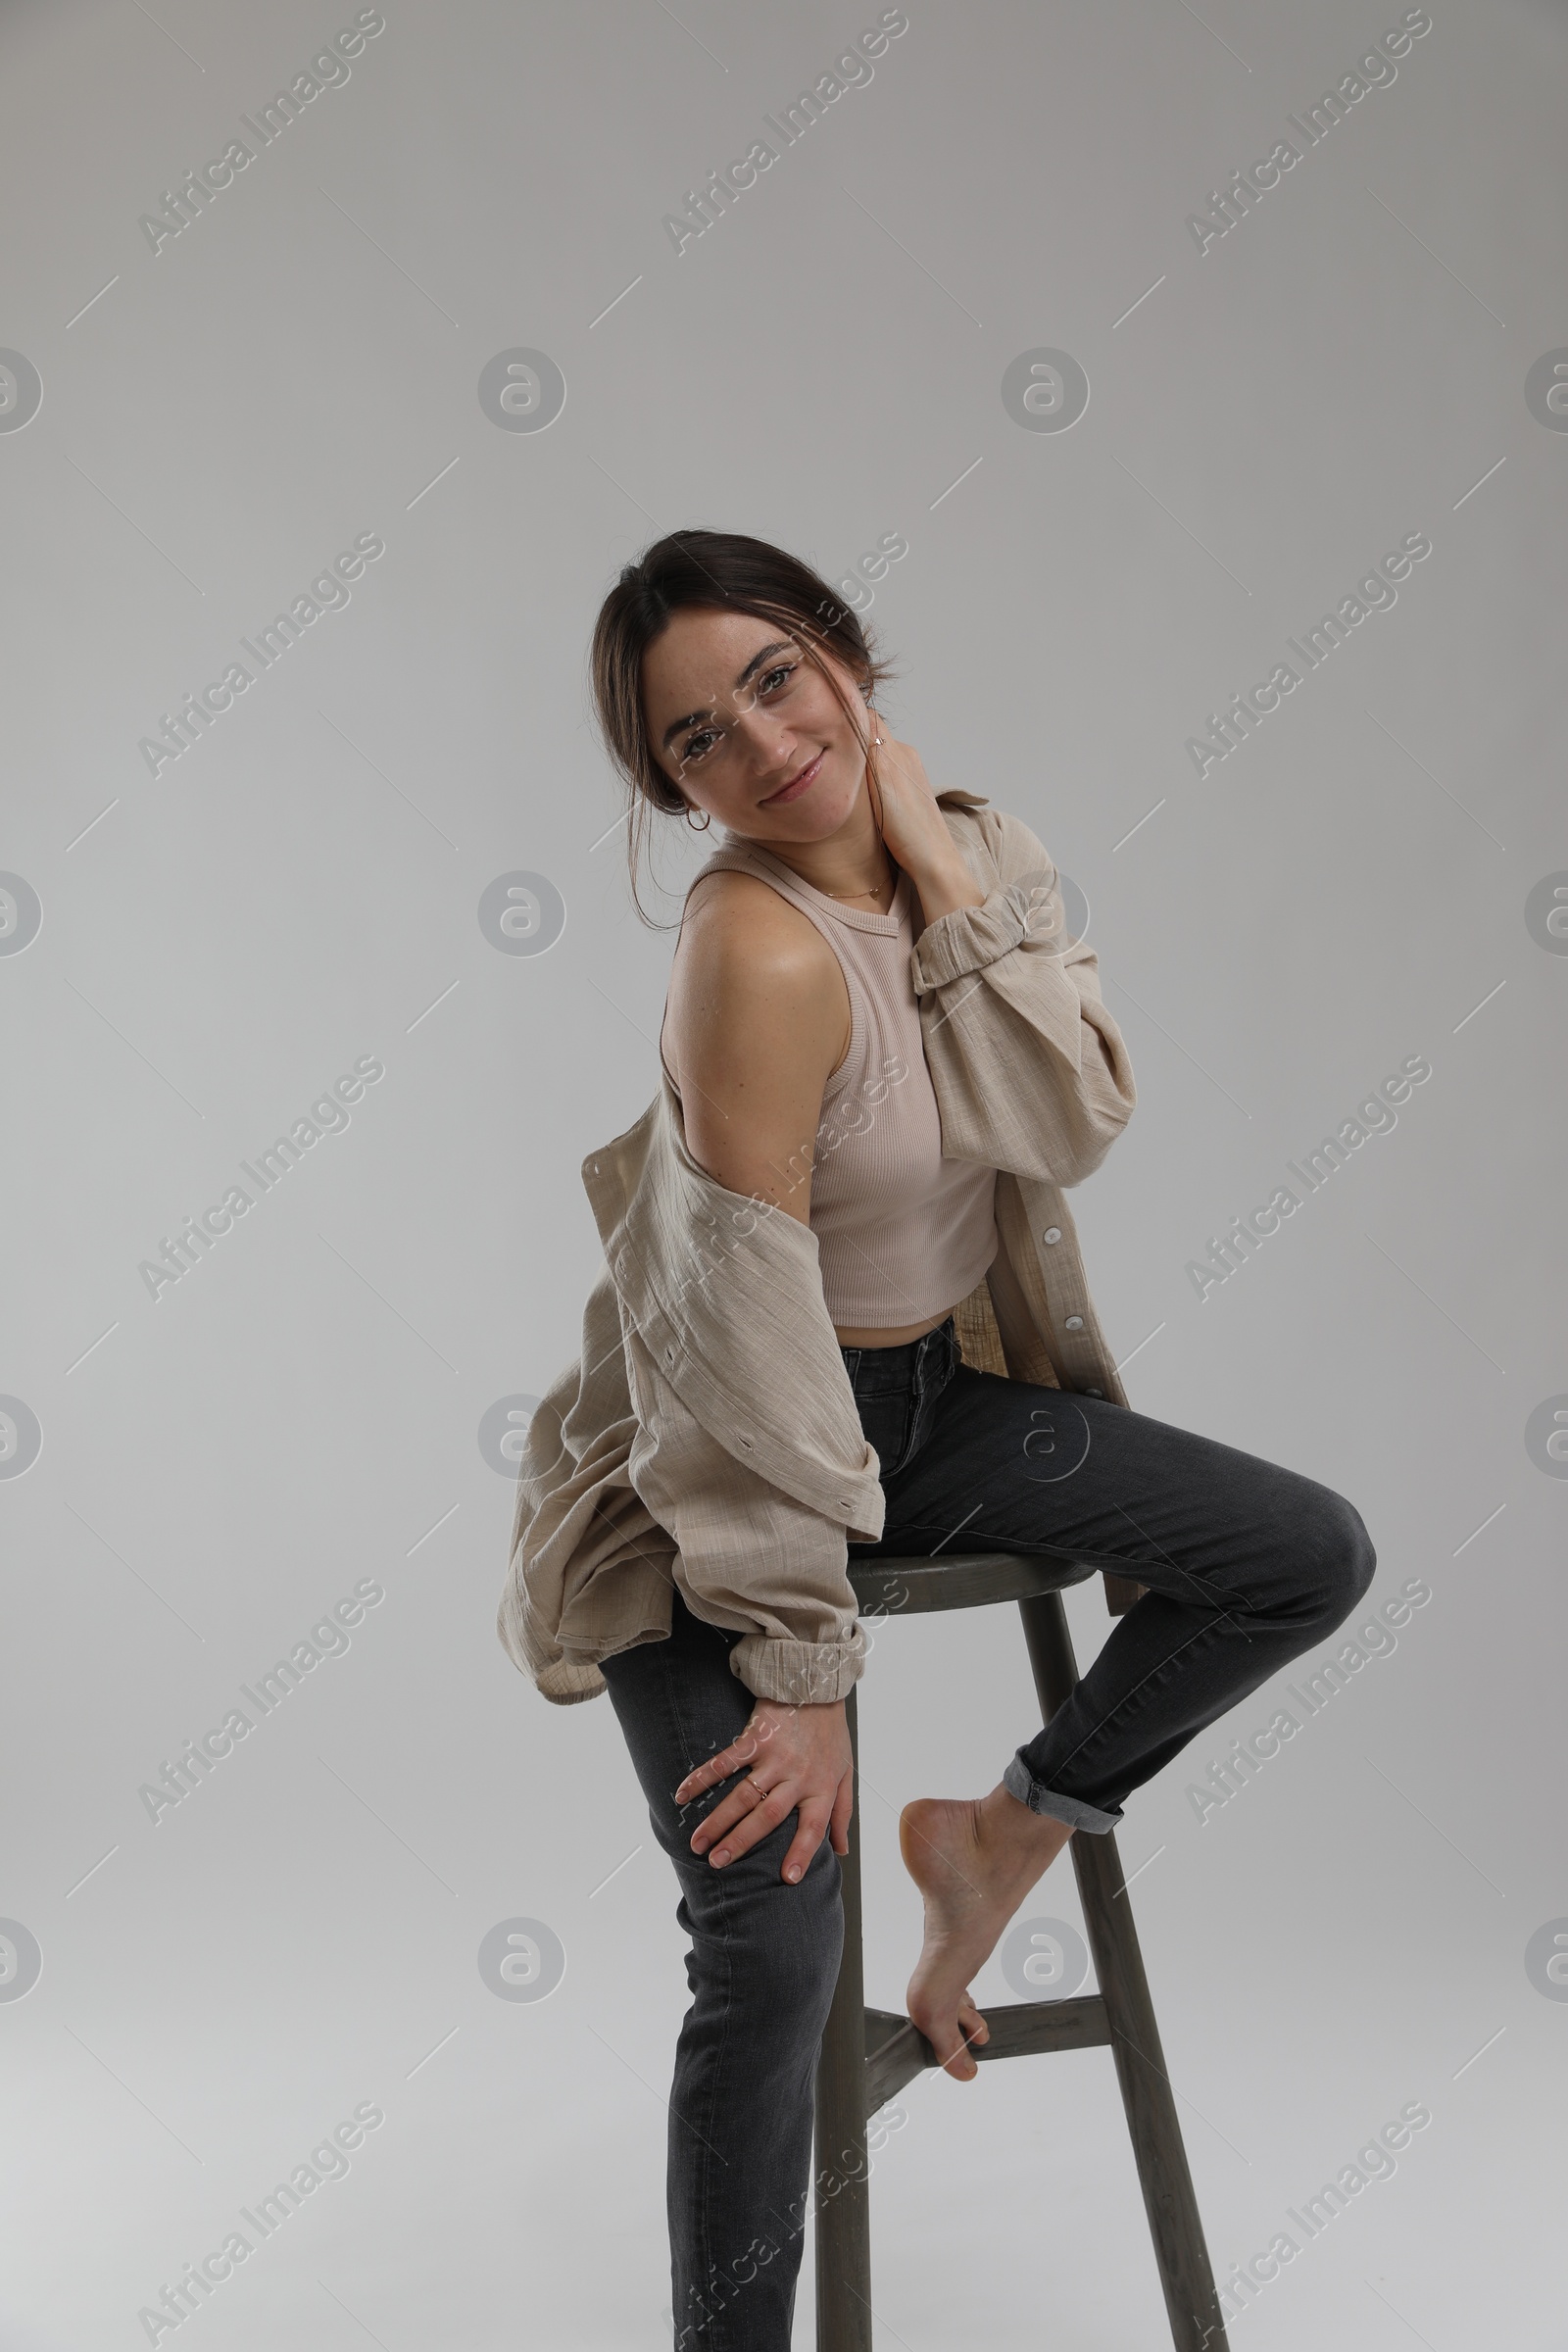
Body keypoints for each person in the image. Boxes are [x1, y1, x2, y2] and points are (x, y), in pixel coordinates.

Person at [510, 528, 1376, 2351]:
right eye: (692, 742)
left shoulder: (972, 852)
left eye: (771, 676)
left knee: (1306, 1554)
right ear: (674, 793)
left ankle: (997, 1840)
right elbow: (734, 1345)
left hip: (931, 1412)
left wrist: (929, 859)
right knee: (772, 1940)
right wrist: (803, 1663)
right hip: (709, 1471)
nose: (755, 745)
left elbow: (1071, 1116)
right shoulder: (750, 952)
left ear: (842, 653)